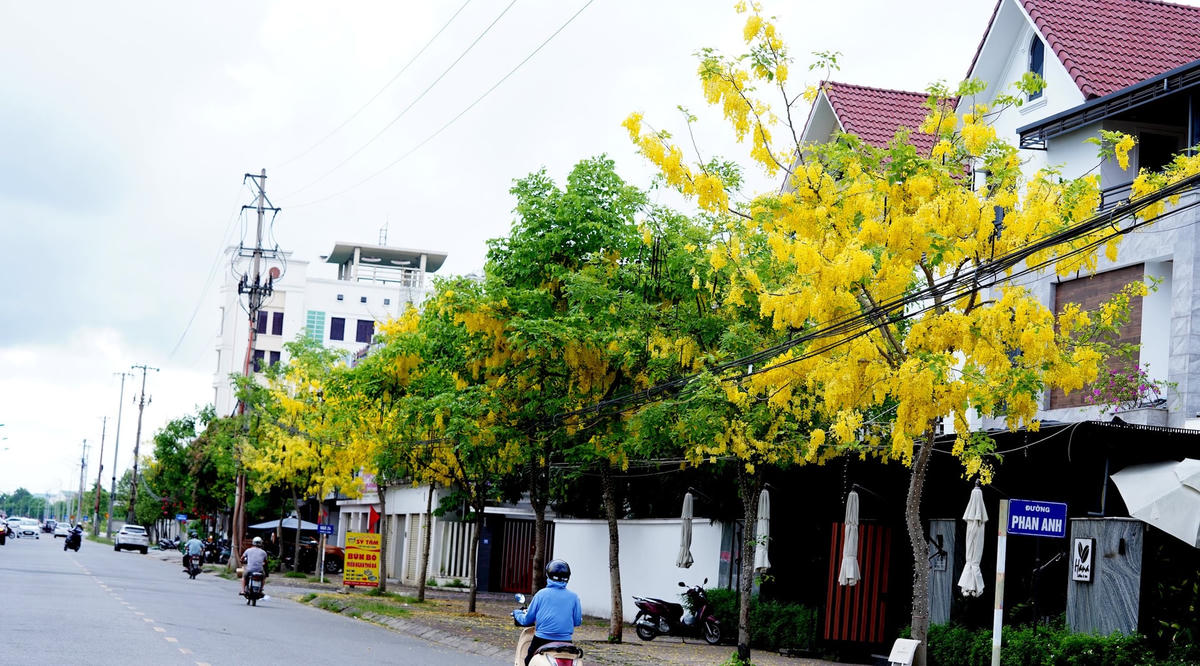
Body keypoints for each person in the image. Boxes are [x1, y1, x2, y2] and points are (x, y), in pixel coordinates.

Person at [512, 559, 582, 666]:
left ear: (548, 575)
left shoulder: (541, 594)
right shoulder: (574, 597)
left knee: (527, 661)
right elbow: (577, 622)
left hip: (542, 640)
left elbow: (527, 620)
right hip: (565, 642)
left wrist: (517, 613)